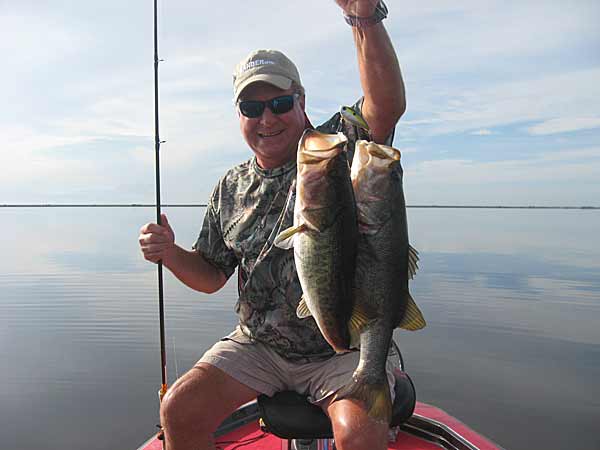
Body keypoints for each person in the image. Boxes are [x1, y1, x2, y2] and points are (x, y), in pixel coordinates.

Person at [138, 1, 406, 449]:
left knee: (359, 435)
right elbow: (210, 276)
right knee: (178, 410)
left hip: (342, 349)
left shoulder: (333, 148)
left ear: (301, 101)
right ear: (238, 114)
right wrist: (170, 254)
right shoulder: (230, 187)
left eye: (280, 103)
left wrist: (363, 18)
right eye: (252, 106)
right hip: (259, 345)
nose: (267, 118)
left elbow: (385, 106)